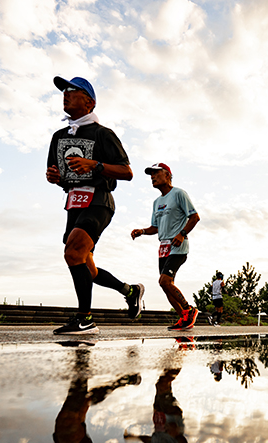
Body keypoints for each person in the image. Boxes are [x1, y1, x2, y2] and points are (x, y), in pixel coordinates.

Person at [46, 76, 145, 335]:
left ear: (89, 101)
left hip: (99, 200)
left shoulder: (103, 134)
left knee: (73, 253)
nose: (65, 94)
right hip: (74, 203)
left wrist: (96, 165)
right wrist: (55, 178)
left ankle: (85, 319)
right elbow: (61, 176)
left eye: (71, 91)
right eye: (63, 91)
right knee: (85, 264)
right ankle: (130, 290)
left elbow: (127, 172)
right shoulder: (58, 136)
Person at [131, 163, 201, 330]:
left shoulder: (179, 194)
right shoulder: (157, 202)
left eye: (156, 173)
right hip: (163, 247)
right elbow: (155, 228)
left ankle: (189, 310)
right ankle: (184, 318)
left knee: (165, 281)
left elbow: (195, 217)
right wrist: (142, 231)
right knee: (165, 285)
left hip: (178, 244)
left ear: (168, 175)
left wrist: (182, 234)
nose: (152, 177)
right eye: (151, 175)